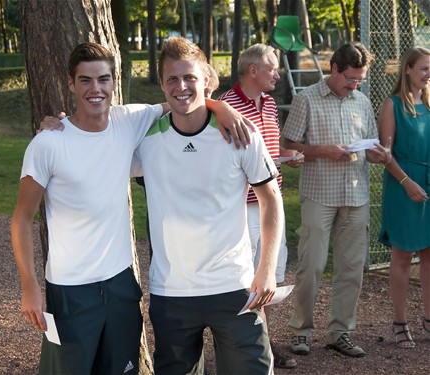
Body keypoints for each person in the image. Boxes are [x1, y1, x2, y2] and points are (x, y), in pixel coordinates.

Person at [12, 42, 253, 374]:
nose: (95, 89)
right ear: (71, 84)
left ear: (114, 81)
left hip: (120, 285)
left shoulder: (129, 121)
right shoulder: (48, 143)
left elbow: (181, 102)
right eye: (85, 80)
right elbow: (22, 219)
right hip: (69, 289)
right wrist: (29, 287)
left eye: (103, 79)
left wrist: (222, 108)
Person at [132, 36, 283, 374]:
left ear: (206, 80)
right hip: (171, 292)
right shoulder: (145, 141)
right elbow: (97, 137)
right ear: (161, 84)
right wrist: (59, 126)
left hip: (235, 287)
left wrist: (267, 269)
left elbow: (271, 198)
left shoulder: (241, 134)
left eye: (190, 78)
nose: (181, 86)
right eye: (172, 78)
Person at [281, 42, 390, 358]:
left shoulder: (362, 102)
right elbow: (290, 144)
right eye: (350, 79)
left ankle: (340, 332)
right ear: (334, 69)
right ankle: (301, 331)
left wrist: (378, 154)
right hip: (319, 194)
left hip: (356, 196)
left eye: (359, 80)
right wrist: (322, 151)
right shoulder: (306, 99)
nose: (354, 85)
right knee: (311, 265)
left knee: (352, 268)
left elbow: (369, 146)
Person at [218, 43, 303, 369]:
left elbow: (264, 156)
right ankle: (250, 347)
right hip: (242, 207)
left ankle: (262, 343)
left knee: (269, 278)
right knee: (244, 280)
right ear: (253, 70)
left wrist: (286, 159)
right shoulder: (227, 105)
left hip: (271, 206)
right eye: (272, 68)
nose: (277, 75)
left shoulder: (268, 104)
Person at [378, 46, 430, 349]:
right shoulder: (392, 105)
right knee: (401, 256)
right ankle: (400, 322)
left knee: (429, 255)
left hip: (428, 183)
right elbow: (386, 155)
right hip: (403, 185)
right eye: (423, 68)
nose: (427, 74)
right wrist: (407, 182)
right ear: (407, 70)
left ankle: (428, 318)